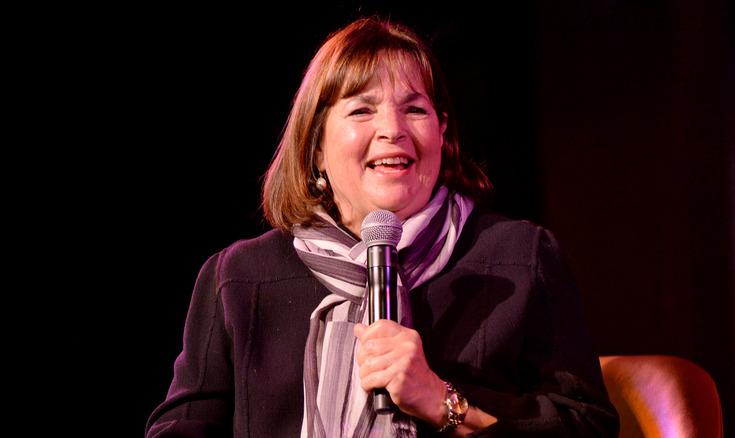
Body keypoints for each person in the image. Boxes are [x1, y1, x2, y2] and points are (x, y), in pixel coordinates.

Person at [146, 17, 619, 437]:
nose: (393, 128)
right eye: (361, 109)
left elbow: (587, 424)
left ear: (442, 133)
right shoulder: (241, 277)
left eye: (415, 109)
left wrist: (443, 402)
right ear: (315, 148)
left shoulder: (520, 257)